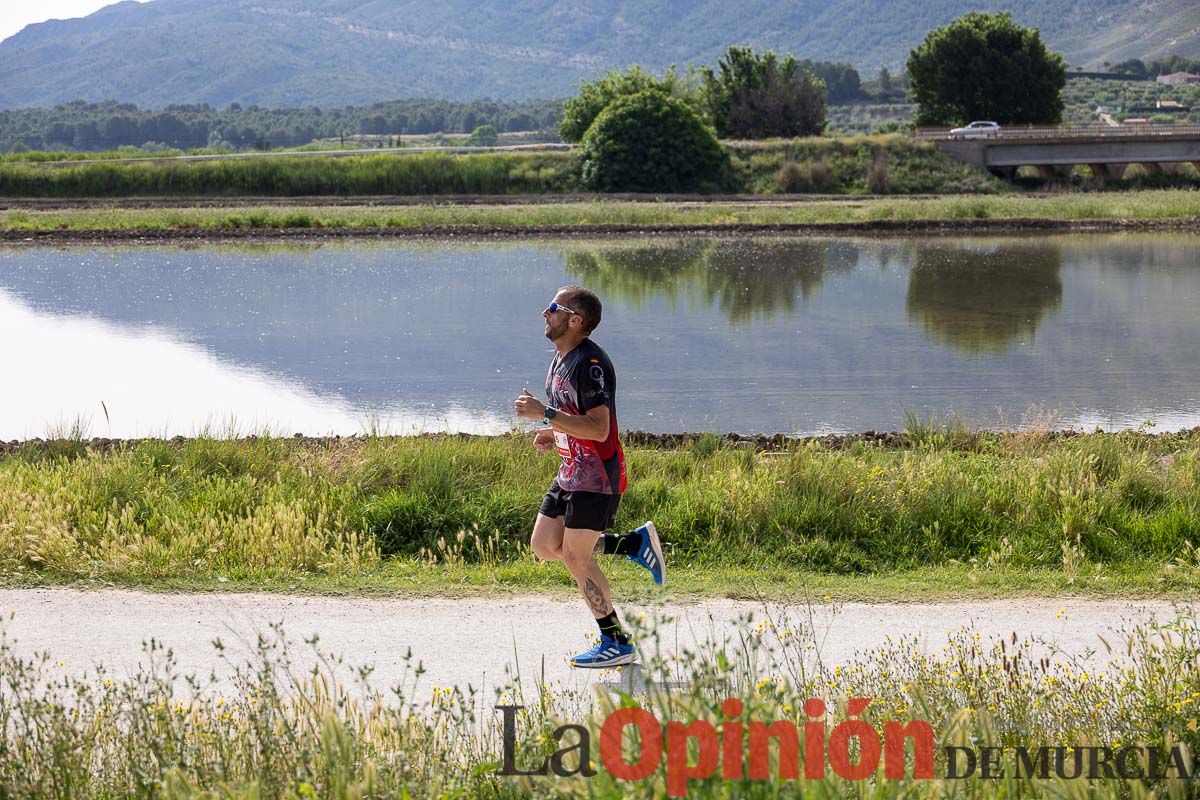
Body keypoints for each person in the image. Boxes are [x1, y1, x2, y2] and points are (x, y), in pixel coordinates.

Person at [514, 285, 666, 669]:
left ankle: (616, 642)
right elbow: (575, 416)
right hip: (570, 471)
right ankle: (630, 545)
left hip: (596, 476)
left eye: (553, 308)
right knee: (545, 545)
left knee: (575, 557)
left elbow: (599, 429)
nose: (544, 313)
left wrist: (546, 415)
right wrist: (556, 432)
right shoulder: (561, 357)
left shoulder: (590, 363)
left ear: (575, 320)